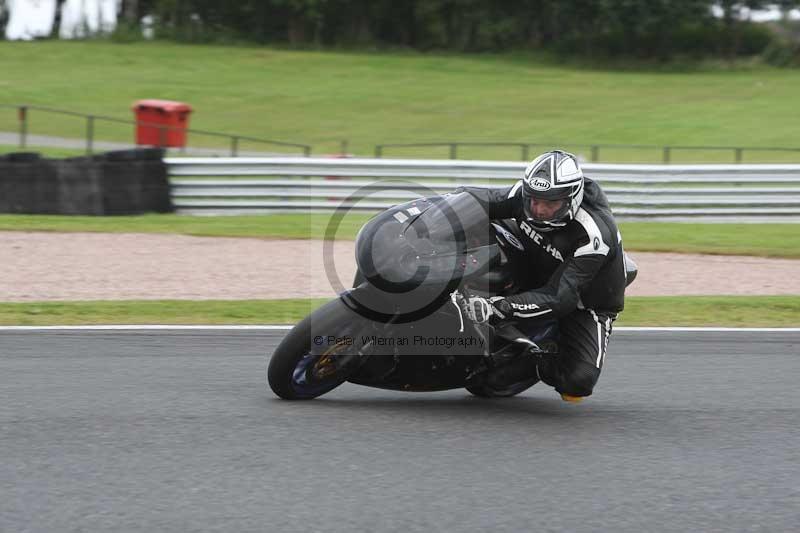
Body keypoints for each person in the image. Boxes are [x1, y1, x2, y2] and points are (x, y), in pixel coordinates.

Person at [458, 150, 627, 402]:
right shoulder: (527, 196)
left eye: (550, 203)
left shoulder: (593, 234)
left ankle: (538, 359)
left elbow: (561, 297)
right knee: (476, 227)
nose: (538, 209)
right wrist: (433, 212)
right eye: (534, 200)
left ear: (572, 199)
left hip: (583, 301)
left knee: (578, 381)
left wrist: (498, 307)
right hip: (535, 259)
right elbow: (475, 200)